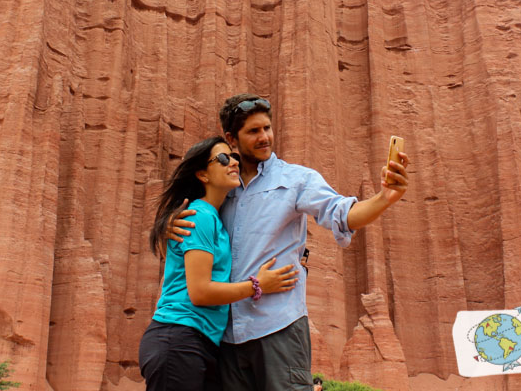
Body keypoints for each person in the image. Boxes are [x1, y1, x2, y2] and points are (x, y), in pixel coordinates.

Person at [171, 94, 410, 391]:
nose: (264, 137)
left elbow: (343, 213)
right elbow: (190, 220)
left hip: (279, 328)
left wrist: (383, 199)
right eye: (253, 131)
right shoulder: (223, 186)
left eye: (267, 128)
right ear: (232, 138)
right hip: (228, 335)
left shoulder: (296, 180)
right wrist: (171, 226)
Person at [139, 136, 299, 391]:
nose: (233, 163)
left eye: (235, 158)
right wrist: (257, 285)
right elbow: (200, 292)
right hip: (179, 337)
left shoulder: (215, 218)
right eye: (224, 159)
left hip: (200, 343)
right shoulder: (199, 216)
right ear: (202, 175)